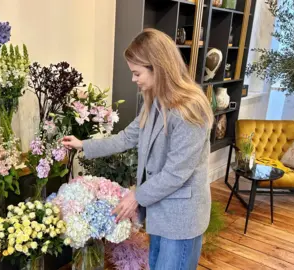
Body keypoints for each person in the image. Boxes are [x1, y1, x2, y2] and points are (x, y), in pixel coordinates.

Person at [62, 28, 214, 270]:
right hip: (161, 210)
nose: (134, 79)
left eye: (137, 73)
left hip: (182, 217)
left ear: (158, 67)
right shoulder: (154, 101)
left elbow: (176, 173)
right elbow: (126, 138)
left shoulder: (190, 109)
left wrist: (136, 196)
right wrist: (83, 145)